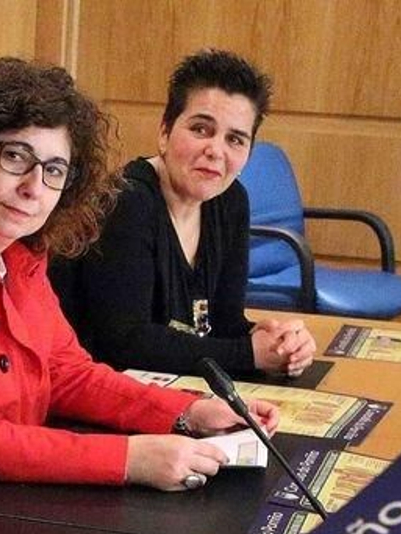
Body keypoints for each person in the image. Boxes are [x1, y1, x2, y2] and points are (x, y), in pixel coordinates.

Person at [0, 57, 279, 492]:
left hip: (10, 494)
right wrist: (128, 459)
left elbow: (66, 372)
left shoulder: (20, 252)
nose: (34, 188)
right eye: (15, 156)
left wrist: (187, 412)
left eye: (54, 170)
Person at [50, 49, 317, 379]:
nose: (215, 151)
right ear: (164, 133)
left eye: (235, 139)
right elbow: (124, 342)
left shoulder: (231, 201)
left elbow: (221, 324)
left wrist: (273, 343)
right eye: (202, 129)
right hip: (88, 388)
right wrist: (247, 354)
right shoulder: (125, 201)